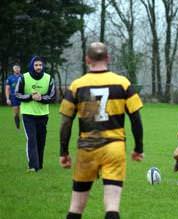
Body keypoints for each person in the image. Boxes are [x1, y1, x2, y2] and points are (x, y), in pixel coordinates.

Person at [59, 42, 144, 219]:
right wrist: (138, 148)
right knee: (112, 206)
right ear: (108, 58)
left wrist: (64, 152)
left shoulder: (76, 86)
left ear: (87, 59)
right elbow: (136, 118)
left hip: (87, 147)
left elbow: (66, 122)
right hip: (114, 147)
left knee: (75, 207)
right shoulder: (123, 83)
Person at [15, 56, 56, 172]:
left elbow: (53, 97)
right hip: (28, 114)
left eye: (40, 65)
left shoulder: (49, 78)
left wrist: (41, 98)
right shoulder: (24, 77)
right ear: (32, 65)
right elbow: (17, 94)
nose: (38, 67)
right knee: (32, 139)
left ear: (43, 66)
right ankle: (33, 166)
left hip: (43, 115)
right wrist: (30, 96)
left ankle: (39, 165)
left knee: (41, 140)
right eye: (36, 65)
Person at [5, 64, 22, 129]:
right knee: (16, 112)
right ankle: (17, 126)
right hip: (14, 97)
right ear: (13, 69)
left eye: (18, 68)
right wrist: (7, 98)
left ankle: (26, 124)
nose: (17, 69)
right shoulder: (10, 78)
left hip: (22, 96)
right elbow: (7, 88)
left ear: (20, 69)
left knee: (24, 112)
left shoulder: (23, 77)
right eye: (15, 68)